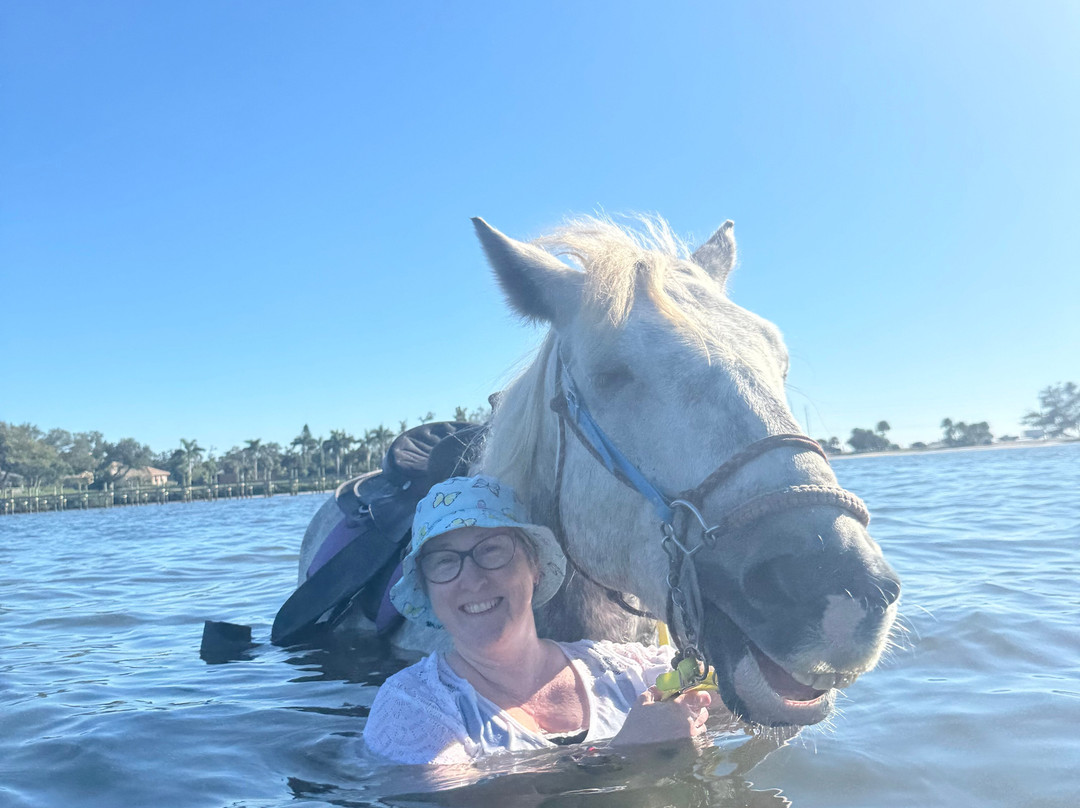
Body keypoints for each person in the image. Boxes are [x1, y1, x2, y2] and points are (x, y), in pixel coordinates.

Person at [363, 474, 713, 765]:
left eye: (491, 550)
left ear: (535, 568)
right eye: (444, 561)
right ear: (427, 591)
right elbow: (463, 800)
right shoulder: (412, 706)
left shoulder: (626, 671)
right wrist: (626, 752)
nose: (471, 579)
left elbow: (741, 684)